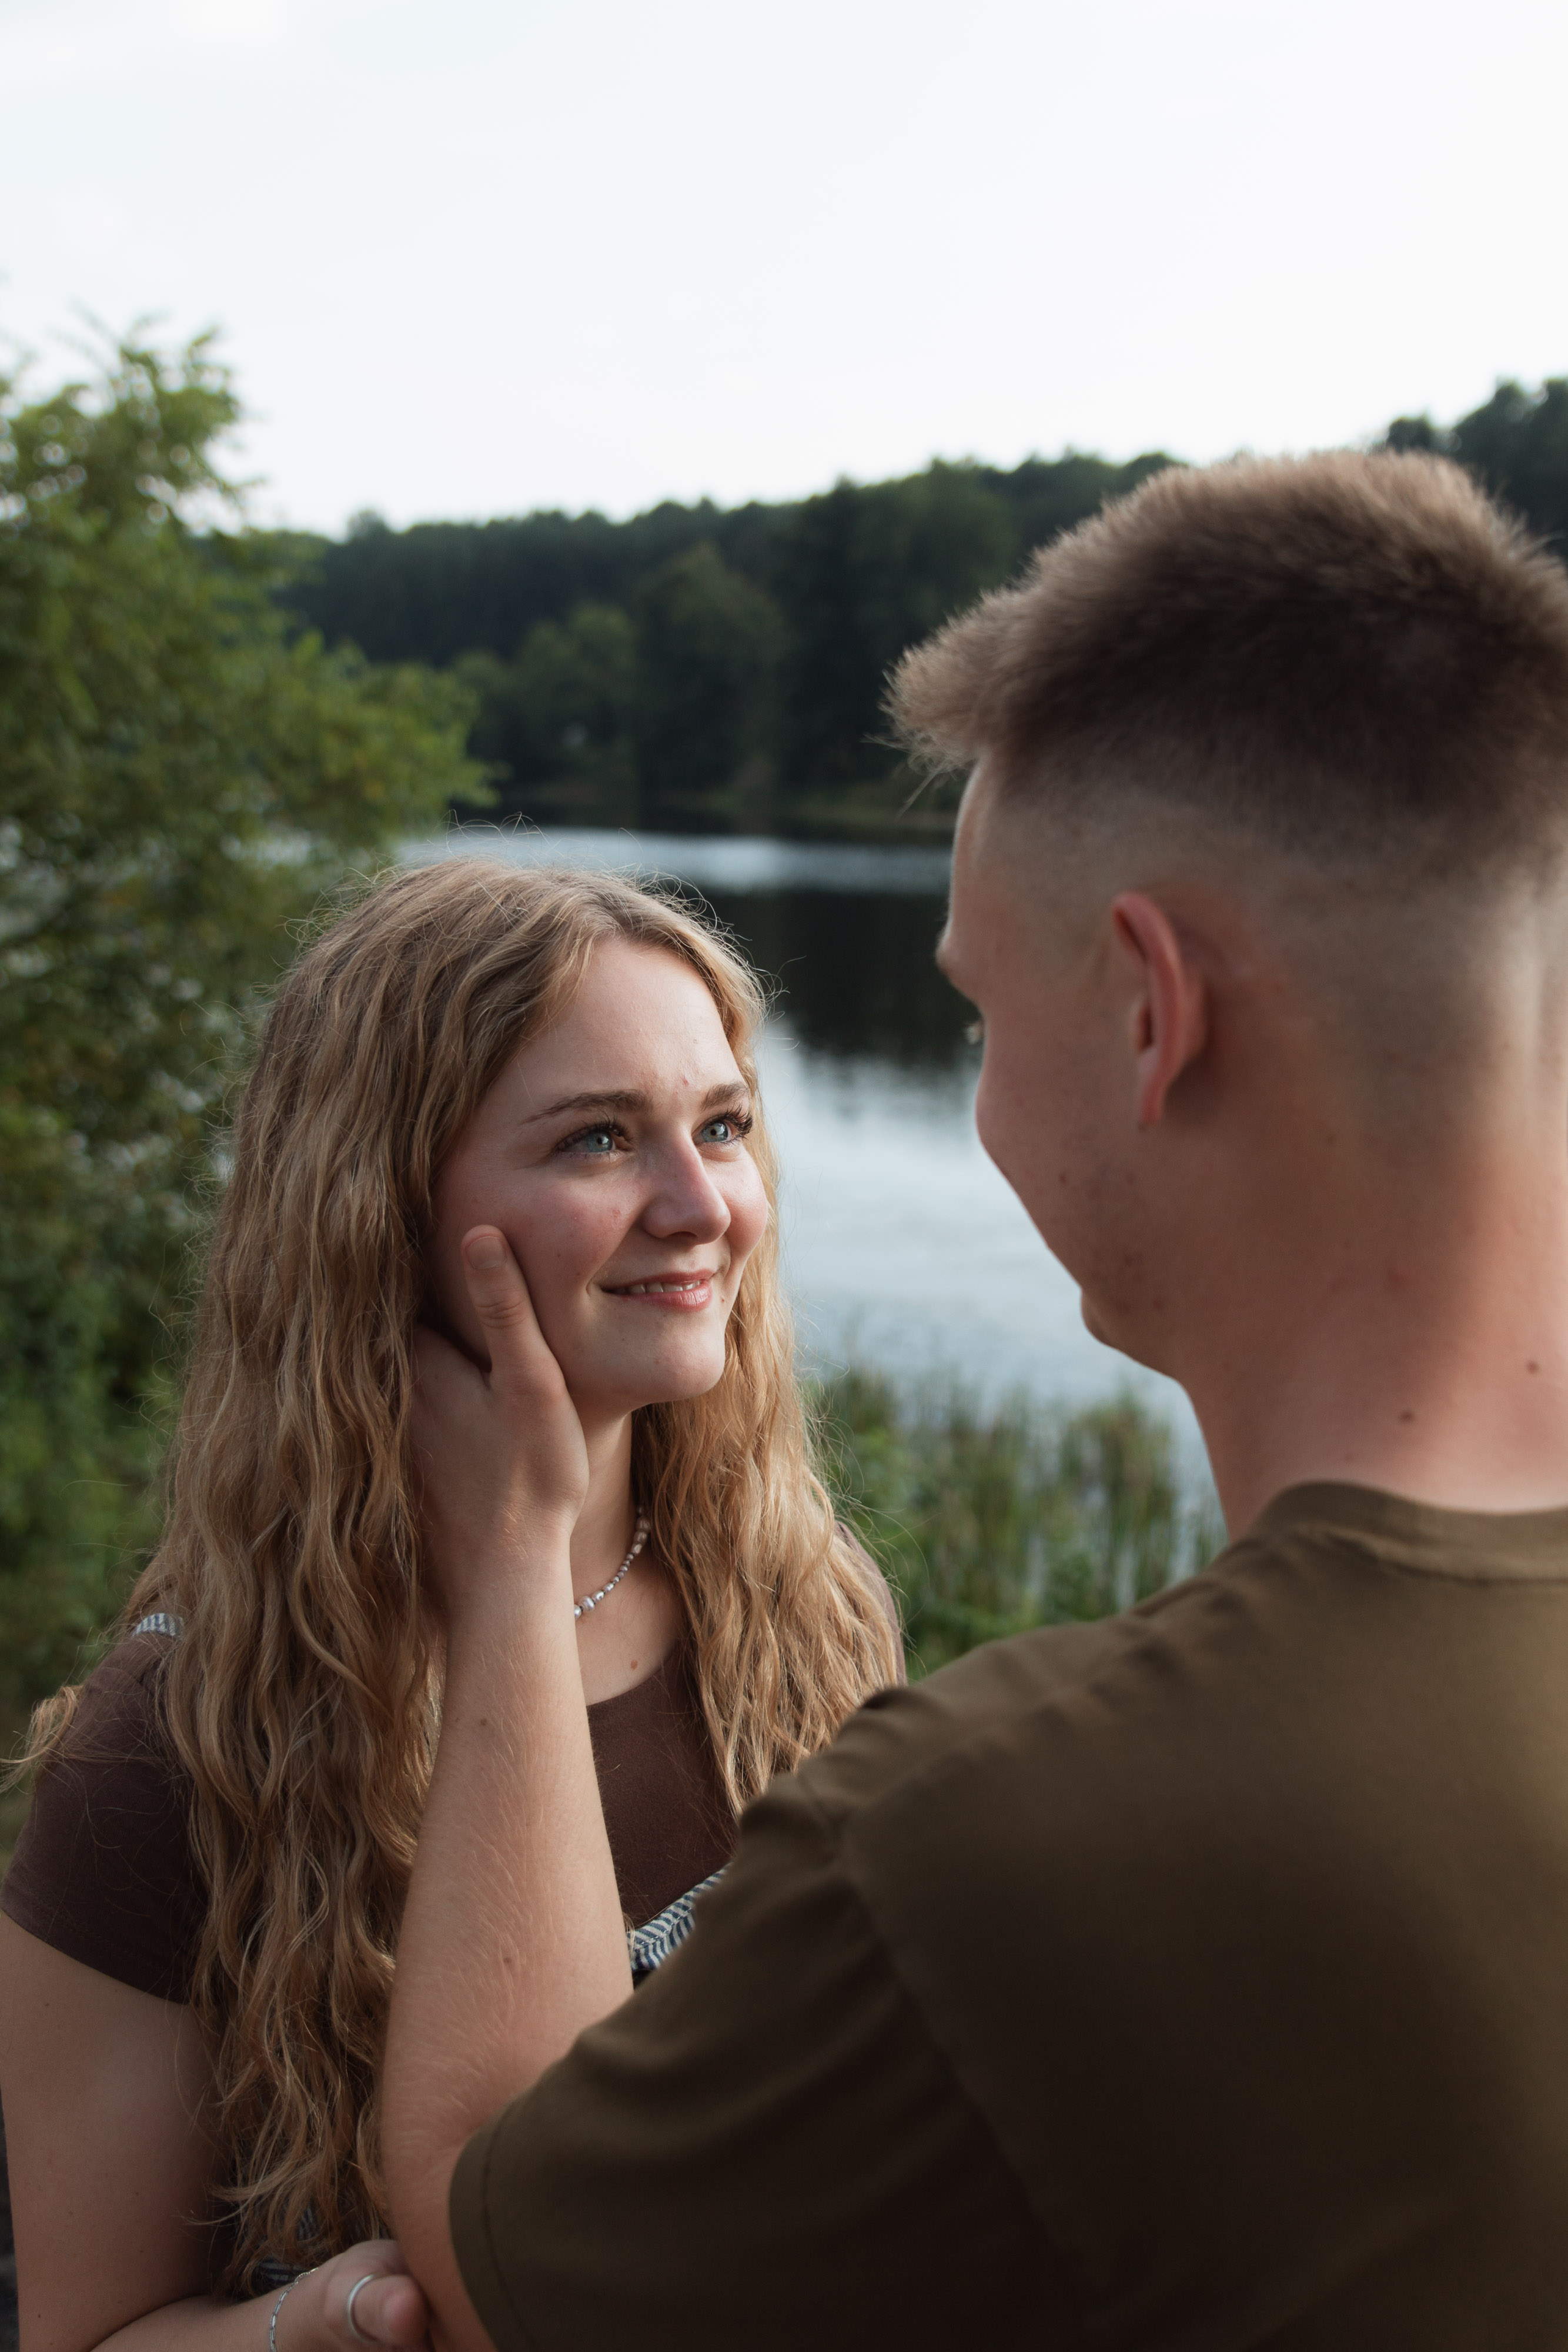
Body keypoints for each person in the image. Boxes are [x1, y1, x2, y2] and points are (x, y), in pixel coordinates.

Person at [376, 449, 1568, 2350]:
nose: (981, 1096)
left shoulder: (1006, 1849)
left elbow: (482, 2230)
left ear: (1144, 1010)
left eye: (975, 1012)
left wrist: (511, 1553)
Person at [0, 863, 902, 2352]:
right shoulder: (171, 1748)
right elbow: (91, 2336)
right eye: (598, 1138)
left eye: (723, 1124)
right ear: (380, 1204)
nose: (700, 1206)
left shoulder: (802, 1618)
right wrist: (334, 2315)